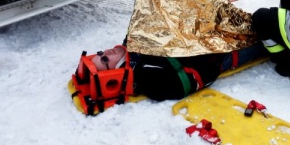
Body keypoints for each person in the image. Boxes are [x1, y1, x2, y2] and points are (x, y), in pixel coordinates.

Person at [88, 41, 266, 102]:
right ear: (113, 73)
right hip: (222, 54)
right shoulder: (146, 77)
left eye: (100, 53)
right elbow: (191, 80)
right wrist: (214, 58)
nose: (105, 53)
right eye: (105, 61)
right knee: (266, 39)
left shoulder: (133, 46)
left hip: (207, 38)